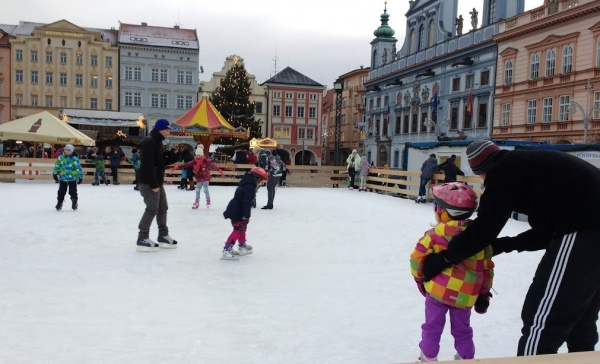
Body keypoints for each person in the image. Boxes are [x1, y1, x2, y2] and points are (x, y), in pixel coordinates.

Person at [422, 140, 600, 356]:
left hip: (587, 229)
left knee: (541, 322)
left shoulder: (502, 171)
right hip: (589, 226)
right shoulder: (528, 168)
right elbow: (545, 233)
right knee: (580, 320)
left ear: (481, 170)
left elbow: (486, 226)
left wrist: (445, 259)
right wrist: (502, 246)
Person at [411, 182, 494, 361]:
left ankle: (428, 357)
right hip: (465, 294)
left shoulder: (434, 235)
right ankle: (466, 357)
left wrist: (419, 279)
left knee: (432, 326)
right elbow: (487, 268)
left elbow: (417, 258)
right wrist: (484, 293)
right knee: (462, 329)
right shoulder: (480, 238)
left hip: (437, 292)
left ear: (441, 211)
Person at [136, 119, 178, 252]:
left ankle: (163, 235)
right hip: (149, 182)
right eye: (167, 129)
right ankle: (142, 237)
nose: (169, 132)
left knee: (162, 208)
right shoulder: (149, 141)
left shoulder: (158, 142)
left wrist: (175, 155)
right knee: (152, 208)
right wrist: (154, 184)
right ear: (160, 129)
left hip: (157, 182)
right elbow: (148, 164)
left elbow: (160, 162)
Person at [222, 167, 268, 260]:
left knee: (242, 227)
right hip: (236, 211)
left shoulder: (247, 183)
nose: (261, 184)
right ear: (257, 178)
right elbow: (246, 202)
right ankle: (227, 249)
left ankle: (242, 245)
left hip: (238, 209)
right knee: (238, 229)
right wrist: (246, 215)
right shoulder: (250, 187)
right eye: (262, 182)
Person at [170, 145, 225, 209]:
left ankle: (208, 201)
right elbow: (187, 164)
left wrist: (219, 170)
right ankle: (196, 202)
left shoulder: (205, 160)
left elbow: (212, 165)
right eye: (196, 155)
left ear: (201, 155)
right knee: (197, 190)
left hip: (205, 177)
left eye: (199, 155)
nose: (197, 156)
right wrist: (178, 166)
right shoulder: (194, 161)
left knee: (205, 189)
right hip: (199, 177)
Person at [52, 144, 83, 211]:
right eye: (65, 150)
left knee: (72, 191)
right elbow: (57, 165)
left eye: (68, 150)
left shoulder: (75, 158)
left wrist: (80, 176)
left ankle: (74, 202)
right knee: (61, 191)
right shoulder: (61, 157)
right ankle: (59, 202)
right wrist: (54, 173)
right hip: (63, 178)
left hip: (72, 178)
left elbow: (78, 168)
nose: (67, 151)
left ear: (71, 151)